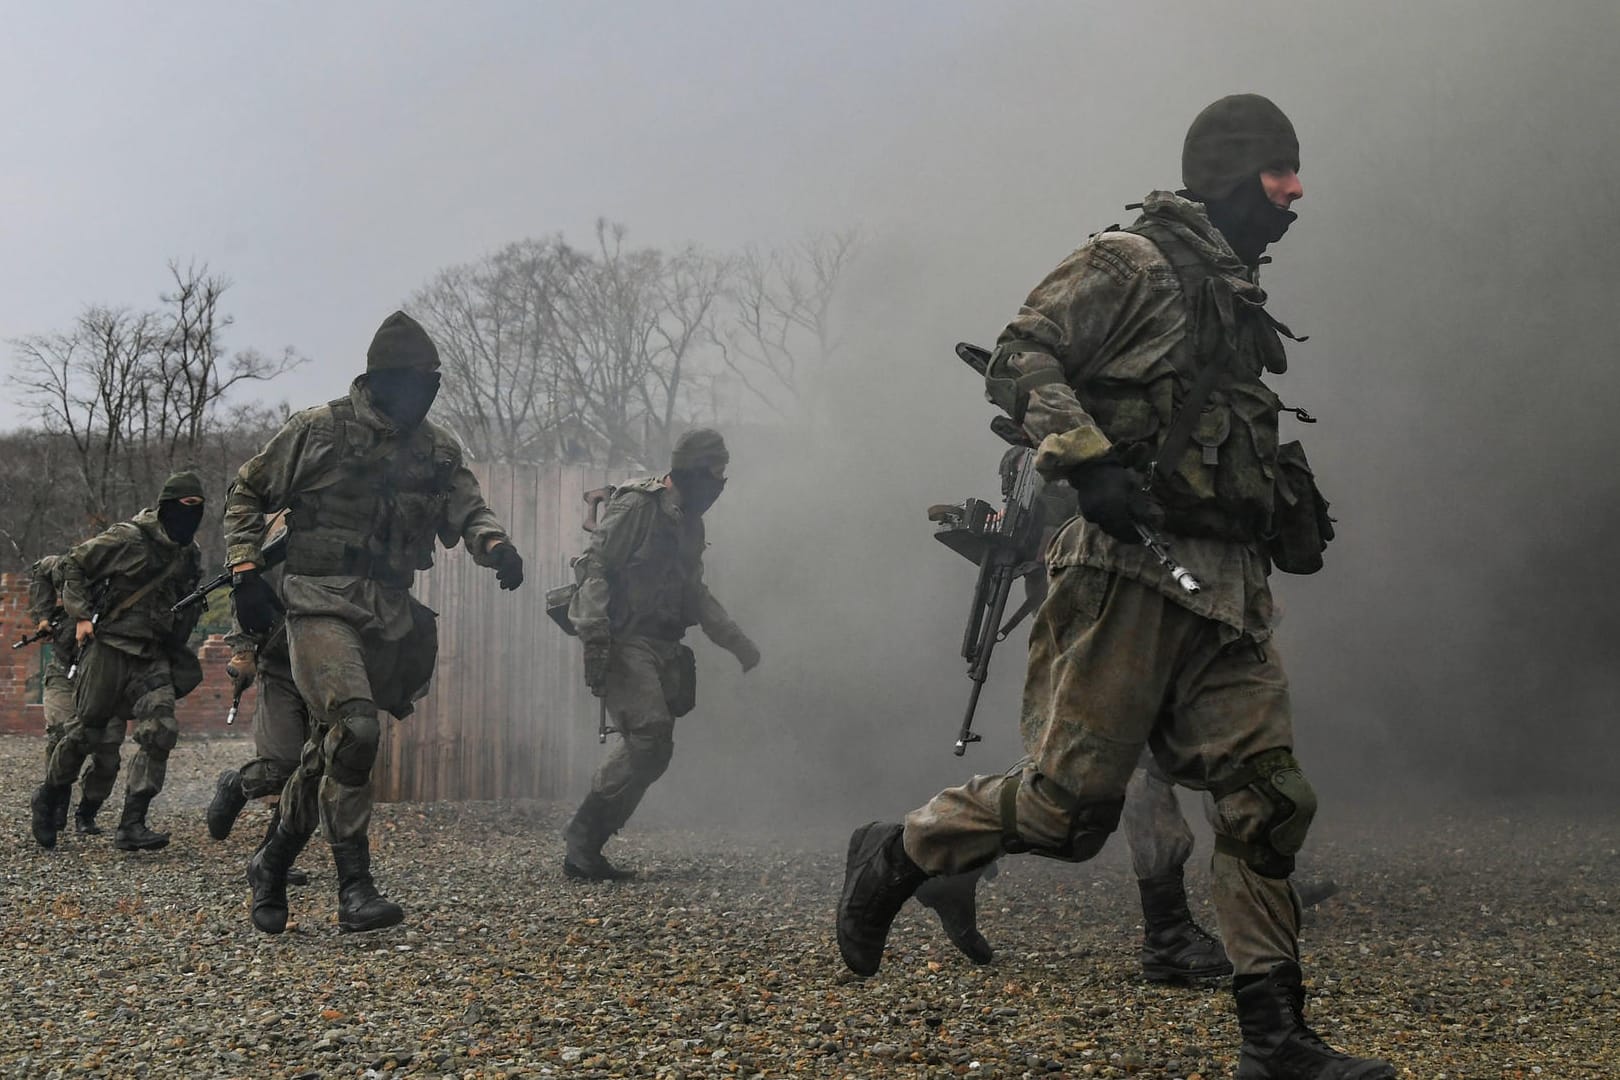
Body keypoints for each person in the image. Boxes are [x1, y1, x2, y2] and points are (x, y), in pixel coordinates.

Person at [837, 95, 1393, 1079]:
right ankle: (902, 849)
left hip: (1225, 581)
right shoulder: (1130, 264)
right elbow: (1020, 356)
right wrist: (1088, 460)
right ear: (1230, 172)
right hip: (1123, 569)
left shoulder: (1237, 299)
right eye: (1279, 173)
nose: (1297, 191)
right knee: (1067, 813)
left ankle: (1274, 1037)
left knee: (1267, 802)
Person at [225, 310, 525, 934]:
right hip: (320, 601)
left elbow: (469, 507)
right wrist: (246, 571)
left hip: (387, 610)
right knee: (357, 729)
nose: (427, 393)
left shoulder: (437, 449)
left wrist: (495, 546)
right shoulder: (320, 431)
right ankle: (354, 885)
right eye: (418, 380)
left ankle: (273, 858)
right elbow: (248, 491)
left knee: (331, 747)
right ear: (385, 379)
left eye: (434, 382)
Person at [562, 428, 761, 881]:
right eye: (714, 473)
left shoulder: (690, 521)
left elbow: (693, 591)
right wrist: (595, 635)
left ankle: (588, 841)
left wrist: (735, 641)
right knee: (651, 734)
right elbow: (594, 565)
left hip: (663, 644)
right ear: (691, 471)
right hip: (626, 638)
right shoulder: (637, 505)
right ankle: (581, 843)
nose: (719, 484)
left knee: (655, 751)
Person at [29, 471, 208, 852]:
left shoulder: (189, 554)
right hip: (109, 647)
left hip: (153, 654)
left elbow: (185, 599)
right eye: (185, 507)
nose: (191, 516)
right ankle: (49, 794)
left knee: (160, 731)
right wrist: (79, 617)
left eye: (198, 508)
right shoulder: (127, 538)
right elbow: (74, 564)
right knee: (84, 734)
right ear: (166, 507)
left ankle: (132, 822)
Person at [204, 608, 311, 887]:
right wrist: (243, 651)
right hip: (281, 667)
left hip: (329, 668)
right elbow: (248, 592)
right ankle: (236, 784)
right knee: (283, 766)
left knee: (314, 772)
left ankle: (270, 860)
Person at [26, 553, 126, 837]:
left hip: (107, 677)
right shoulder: (72, 566)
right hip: (65, 669)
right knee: (61, 736)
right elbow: (39, 570)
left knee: (107, 753)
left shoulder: (132, 576)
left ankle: (88, 811)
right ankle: (53, 799)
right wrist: (43, 616)